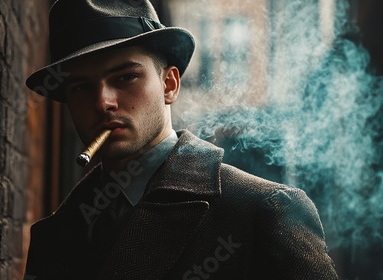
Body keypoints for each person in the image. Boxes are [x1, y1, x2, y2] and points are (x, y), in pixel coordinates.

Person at [23, 0, 338, 279]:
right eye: (81, 87)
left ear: (170, 84)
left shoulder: (264, 211)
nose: (103, 101)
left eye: (125, 77)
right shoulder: (55, 234)